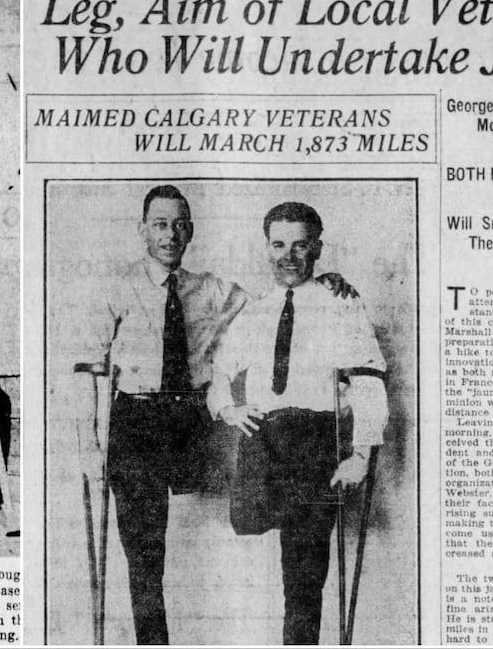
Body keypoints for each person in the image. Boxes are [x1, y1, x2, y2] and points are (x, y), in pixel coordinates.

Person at [81, 187, 353, 644]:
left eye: (180, 224)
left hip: (195, 424)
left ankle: (295, 618)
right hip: (138, 422)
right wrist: (90, 445)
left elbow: (279, 301)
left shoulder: (211, 289)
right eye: (160, 224)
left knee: (267, 493)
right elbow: (87, 370)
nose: (170, 234)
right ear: (142, 229)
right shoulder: (116, 286)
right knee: (145, 554)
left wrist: (325, 282)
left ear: (191, 231)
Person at [207, 201, 388, 645]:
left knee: (304, 578)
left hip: (314, 443)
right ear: (266, 248)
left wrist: (361, 455)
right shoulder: (255, 311)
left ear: (317, 249)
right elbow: (219, 375)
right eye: (278, 244)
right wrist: (227, 409)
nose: (287, 255)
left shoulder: (341, 303)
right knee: (247, 523)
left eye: (300, 245)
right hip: (264, 445)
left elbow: (367, 382)